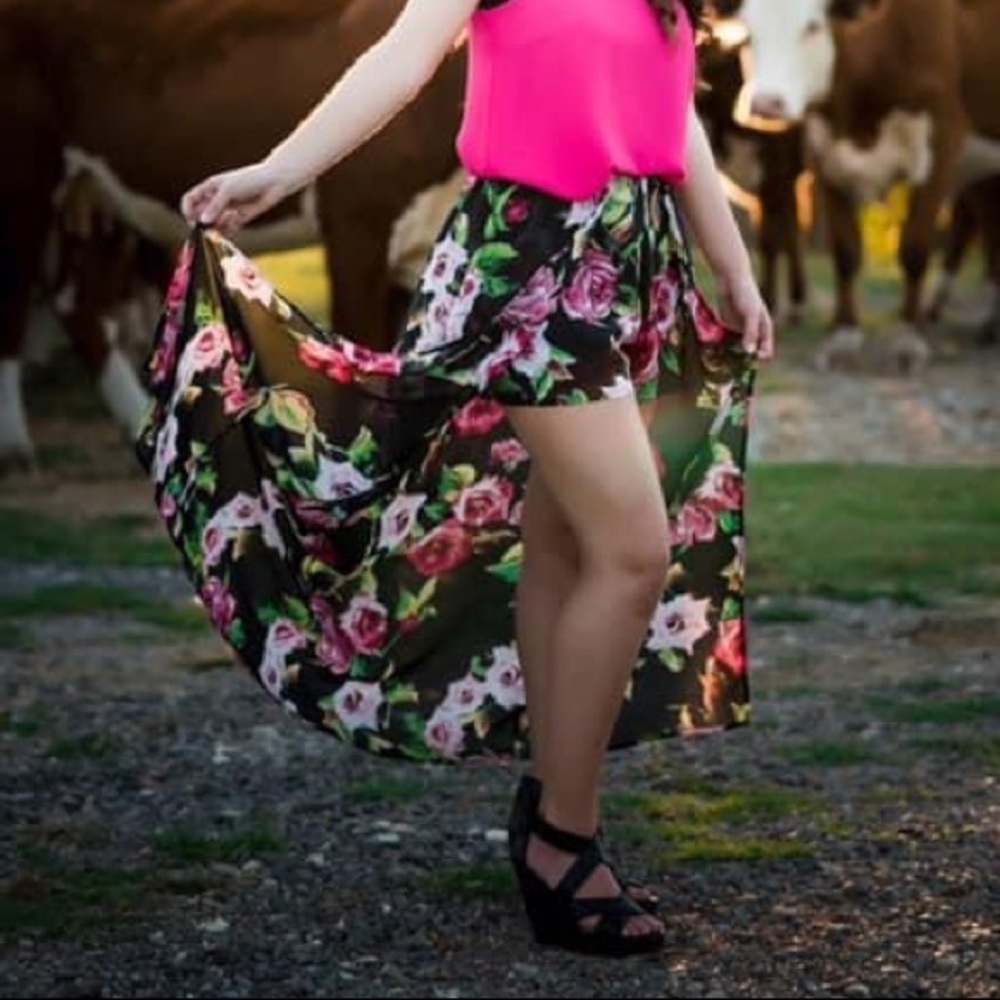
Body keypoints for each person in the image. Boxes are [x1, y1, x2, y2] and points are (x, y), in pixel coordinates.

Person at [144, 0, 773, 960]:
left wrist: (733, 266)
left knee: (569, 543)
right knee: (635, 550)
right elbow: (401, 58)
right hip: (525, 263)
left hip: (627, 259)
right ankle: (562, 839)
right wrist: (282, 172)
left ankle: (556, 814)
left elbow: (671, 114)